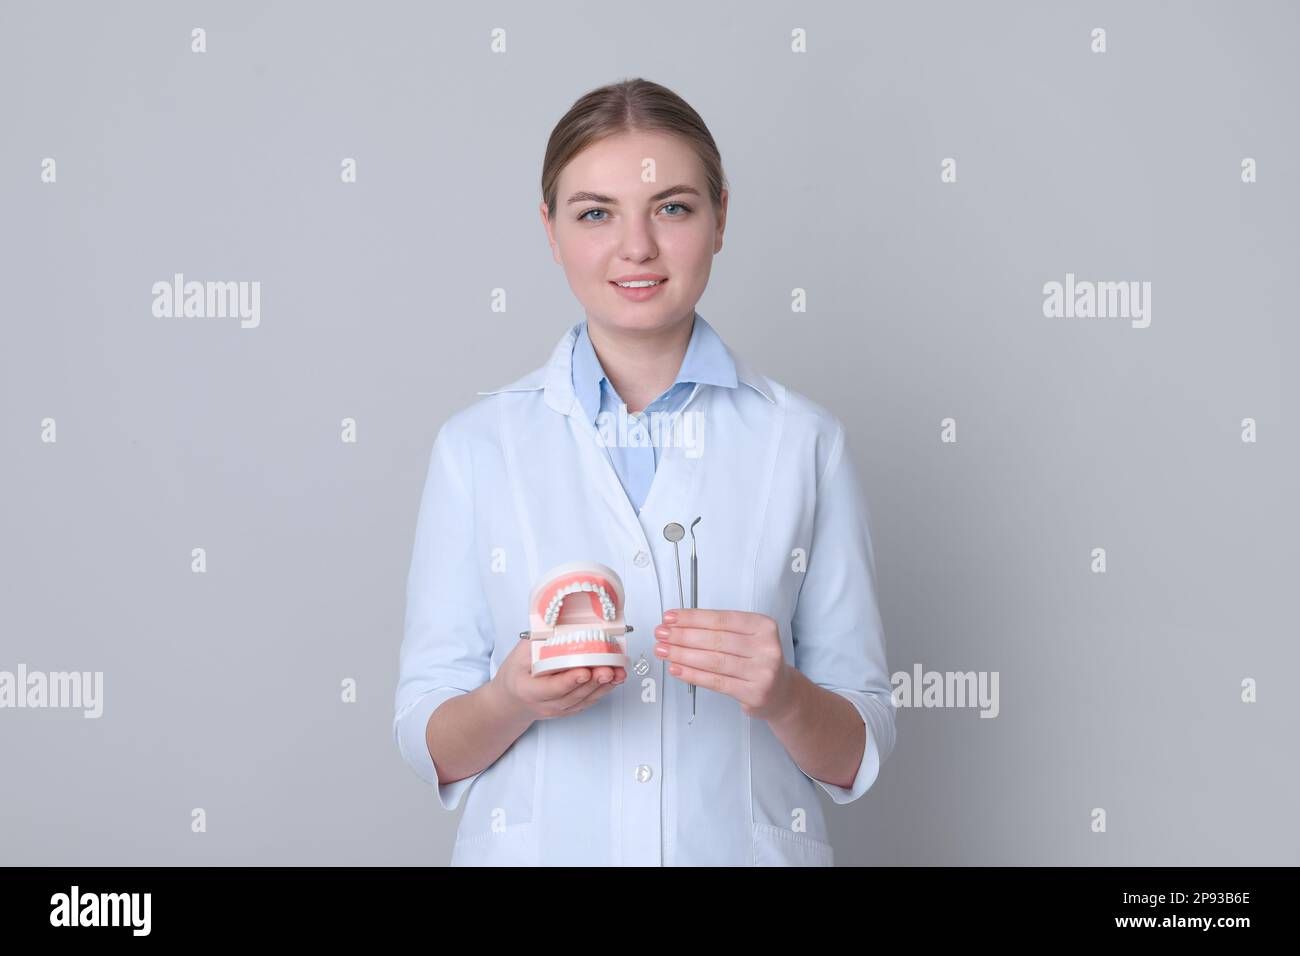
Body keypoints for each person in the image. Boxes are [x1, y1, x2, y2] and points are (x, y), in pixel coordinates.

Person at [393, 78, 895, 866]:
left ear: (720, 217)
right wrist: (510, 700)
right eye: (595, 213)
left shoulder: (804, 444)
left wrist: (785, 695)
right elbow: (432, 741)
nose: (636, 248)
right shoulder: (476, 447)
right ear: (551, 231)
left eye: (672, 207)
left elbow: (856, 751)